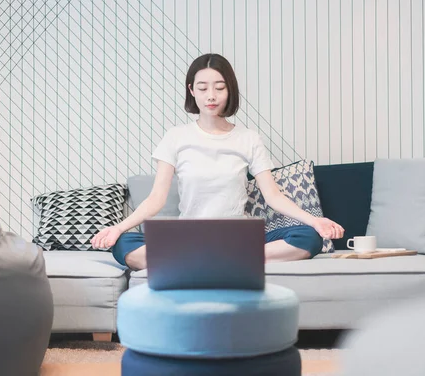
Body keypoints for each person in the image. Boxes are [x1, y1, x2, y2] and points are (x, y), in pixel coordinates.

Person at [91, 53, 344, 270]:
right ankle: (221, 261)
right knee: (123, 243)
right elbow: (156, 199)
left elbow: (273, 196)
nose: (211, 96)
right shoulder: (176, 136)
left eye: (219, 87)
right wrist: (117, 228)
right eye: (202, 88)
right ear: (192, 90)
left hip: (237, 240)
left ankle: (206, 261)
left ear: (229, 89)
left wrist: (315, 221)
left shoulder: (248, 138)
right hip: (189, 239)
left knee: (307, 237)